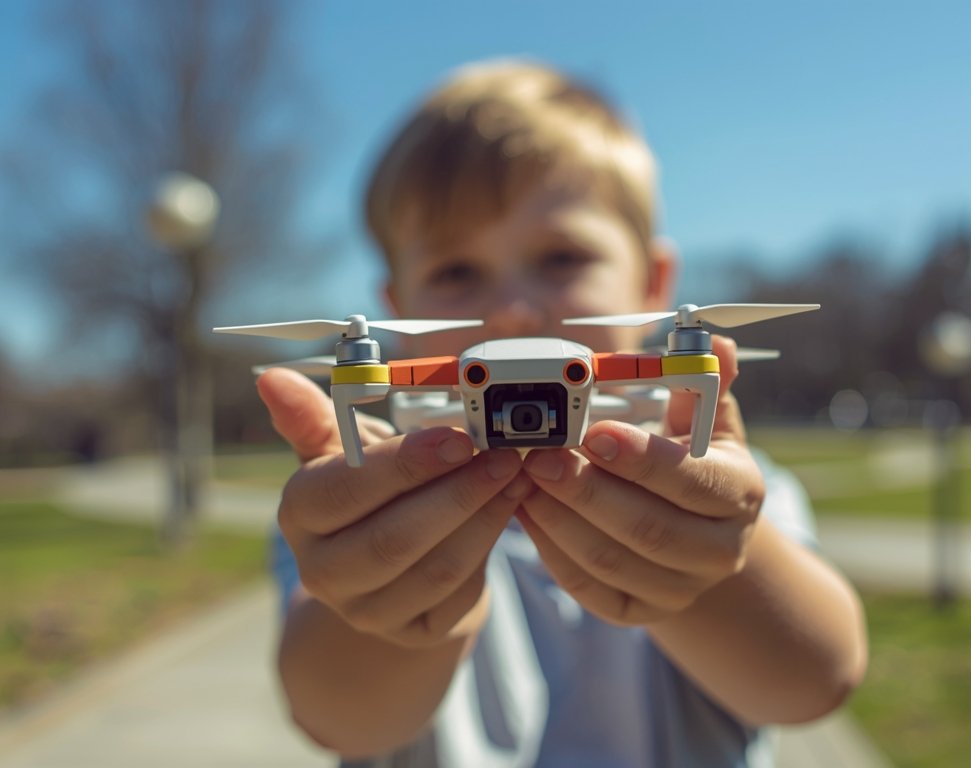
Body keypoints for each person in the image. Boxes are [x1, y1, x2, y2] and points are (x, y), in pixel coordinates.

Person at [257, 59, 867, 767]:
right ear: (397, 311)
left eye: (562, 257)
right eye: (457, 273)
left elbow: (815, 681)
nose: (514, 311)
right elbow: (337, 717)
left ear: (652, 282)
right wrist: (391, 610)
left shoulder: (724, 488)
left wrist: (718, 562)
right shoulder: (360, 501)